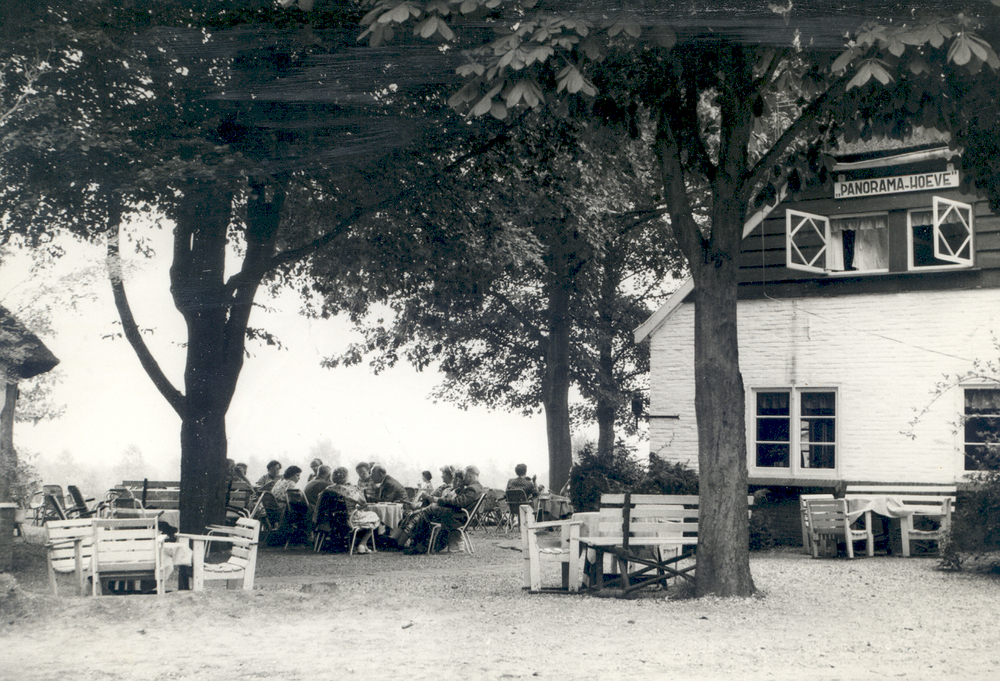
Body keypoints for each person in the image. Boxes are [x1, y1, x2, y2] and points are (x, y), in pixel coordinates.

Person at [398, 466, 484, 554]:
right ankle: (421, 545)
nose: (464, 478)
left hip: (456, 517)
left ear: (469, 476)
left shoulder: (472, 488)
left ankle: (419, 545)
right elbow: (461, 502)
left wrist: (438, 500)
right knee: (426, 512)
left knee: (428, 511)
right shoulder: (478, 487)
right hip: (459, 515)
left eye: (464, 476)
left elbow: (458, 502)